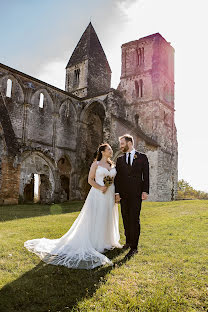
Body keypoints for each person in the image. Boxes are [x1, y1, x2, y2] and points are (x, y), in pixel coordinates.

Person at [24, 143, 121, 269]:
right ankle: (97, 242)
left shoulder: (111, 165)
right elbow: (90, 180)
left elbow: (111, 178)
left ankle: (108, 240)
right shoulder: (96, 164)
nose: (111, 151)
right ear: (102, 152)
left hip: (109, 193)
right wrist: (100, 187)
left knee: (107, 215)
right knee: (98, 216)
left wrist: (110, 188)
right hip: (98, 194)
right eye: (109, 149)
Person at [114, 134, 149, 259]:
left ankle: (134, 246)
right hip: (123, 195)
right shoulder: (120, 160)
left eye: (122, 143)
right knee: (126, 218)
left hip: (136, 194)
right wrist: (117, 193)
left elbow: (146, 175)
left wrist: (145, 191)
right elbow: (117, 178)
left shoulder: (142, 157)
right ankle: (128, 242)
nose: (121, 146)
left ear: (129, 143)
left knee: (134, 218)